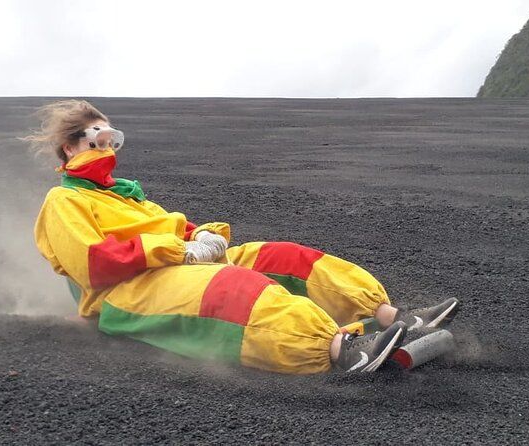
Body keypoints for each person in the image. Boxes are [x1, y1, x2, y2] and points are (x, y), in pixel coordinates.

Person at [24, 99, 459, 374]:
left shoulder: (130, 198)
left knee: (284, 256)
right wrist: (182, 250)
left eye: (113, 136)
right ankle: (342, 351)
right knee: (236, 287)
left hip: (179, 264)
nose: (109, 145)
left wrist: (205, 237)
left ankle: (390, 317)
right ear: (70, 147)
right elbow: (94, 263)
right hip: (126, 292)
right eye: (98, 136)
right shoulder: (64, 203)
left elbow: (183, 232)